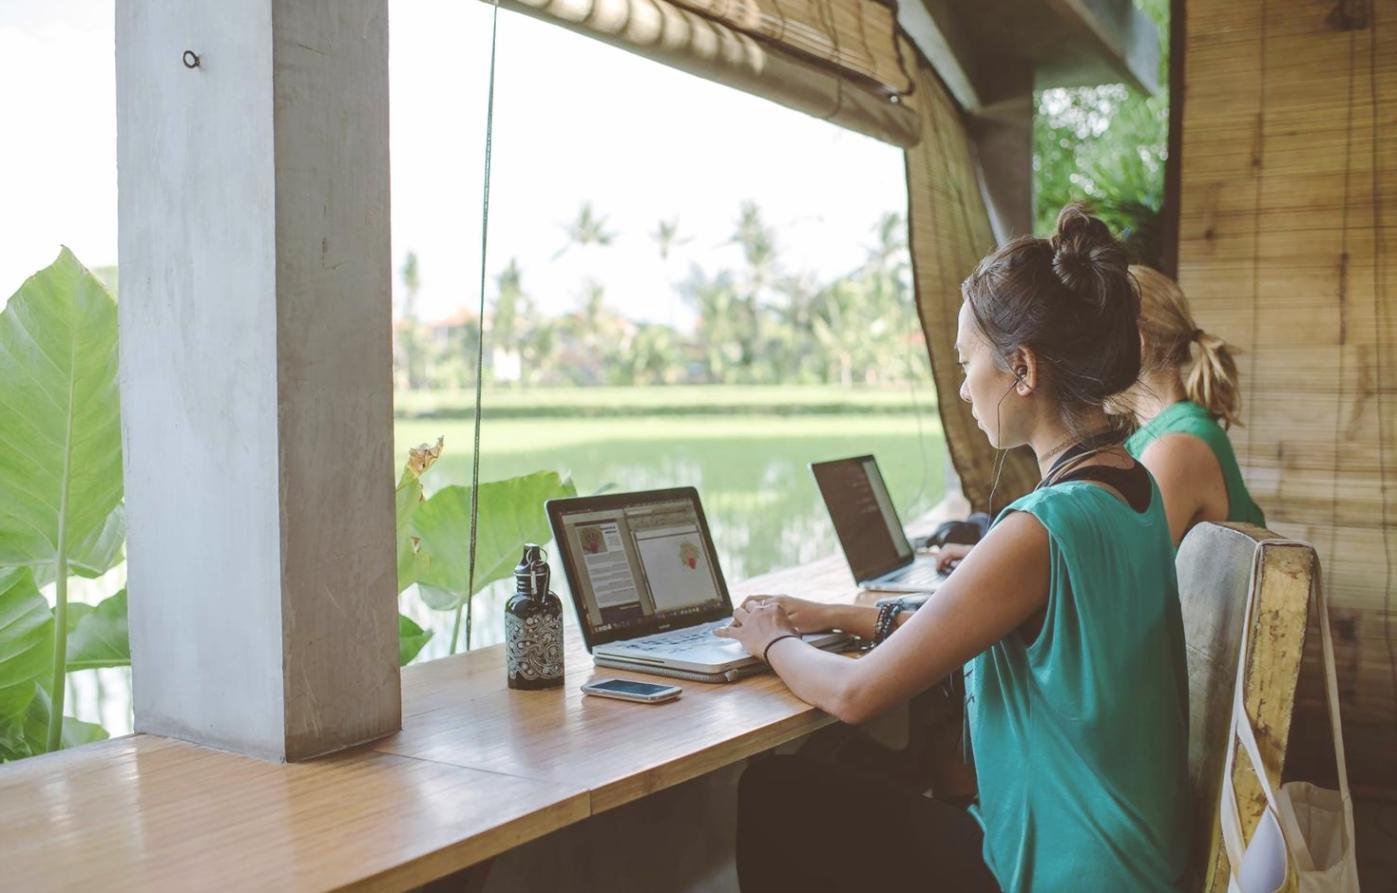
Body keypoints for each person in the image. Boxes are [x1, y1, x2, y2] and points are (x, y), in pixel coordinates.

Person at [717, 206, 1191, 892]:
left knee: (774, 789)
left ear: (1021, 369)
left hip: (1068, 874)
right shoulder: (1131, 488)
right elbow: (983, 630)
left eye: (967, 363)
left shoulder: (1040, 527)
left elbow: (853, 693)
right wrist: (833, 616)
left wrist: (768, 639)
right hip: (1134, 860)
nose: (964, 387)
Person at [1118, 265, 1266, 545]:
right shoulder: (1173, 433)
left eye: (1094, 343)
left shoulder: (1175, 449)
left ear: (1136, 343)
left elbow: (1125, 580)